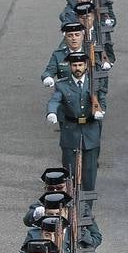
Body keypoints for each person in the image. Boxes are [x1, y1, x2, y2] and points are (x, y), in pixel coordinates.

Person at [46, 53, 106, 191]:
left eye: (80, 65)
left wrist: (100, 111)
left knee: (90, 172)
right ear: (70, 66)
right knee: (70, 171)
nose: (77, 68)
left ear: (85, 66)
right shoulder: (62, 85)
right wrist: (51, 112)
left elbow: (102, 100)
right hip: (71, 130)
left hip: (90, 130)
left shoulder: (94, 82)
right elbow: (55, 99)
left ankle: (87, 209)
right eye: (74, 65)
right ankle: (71, 202)